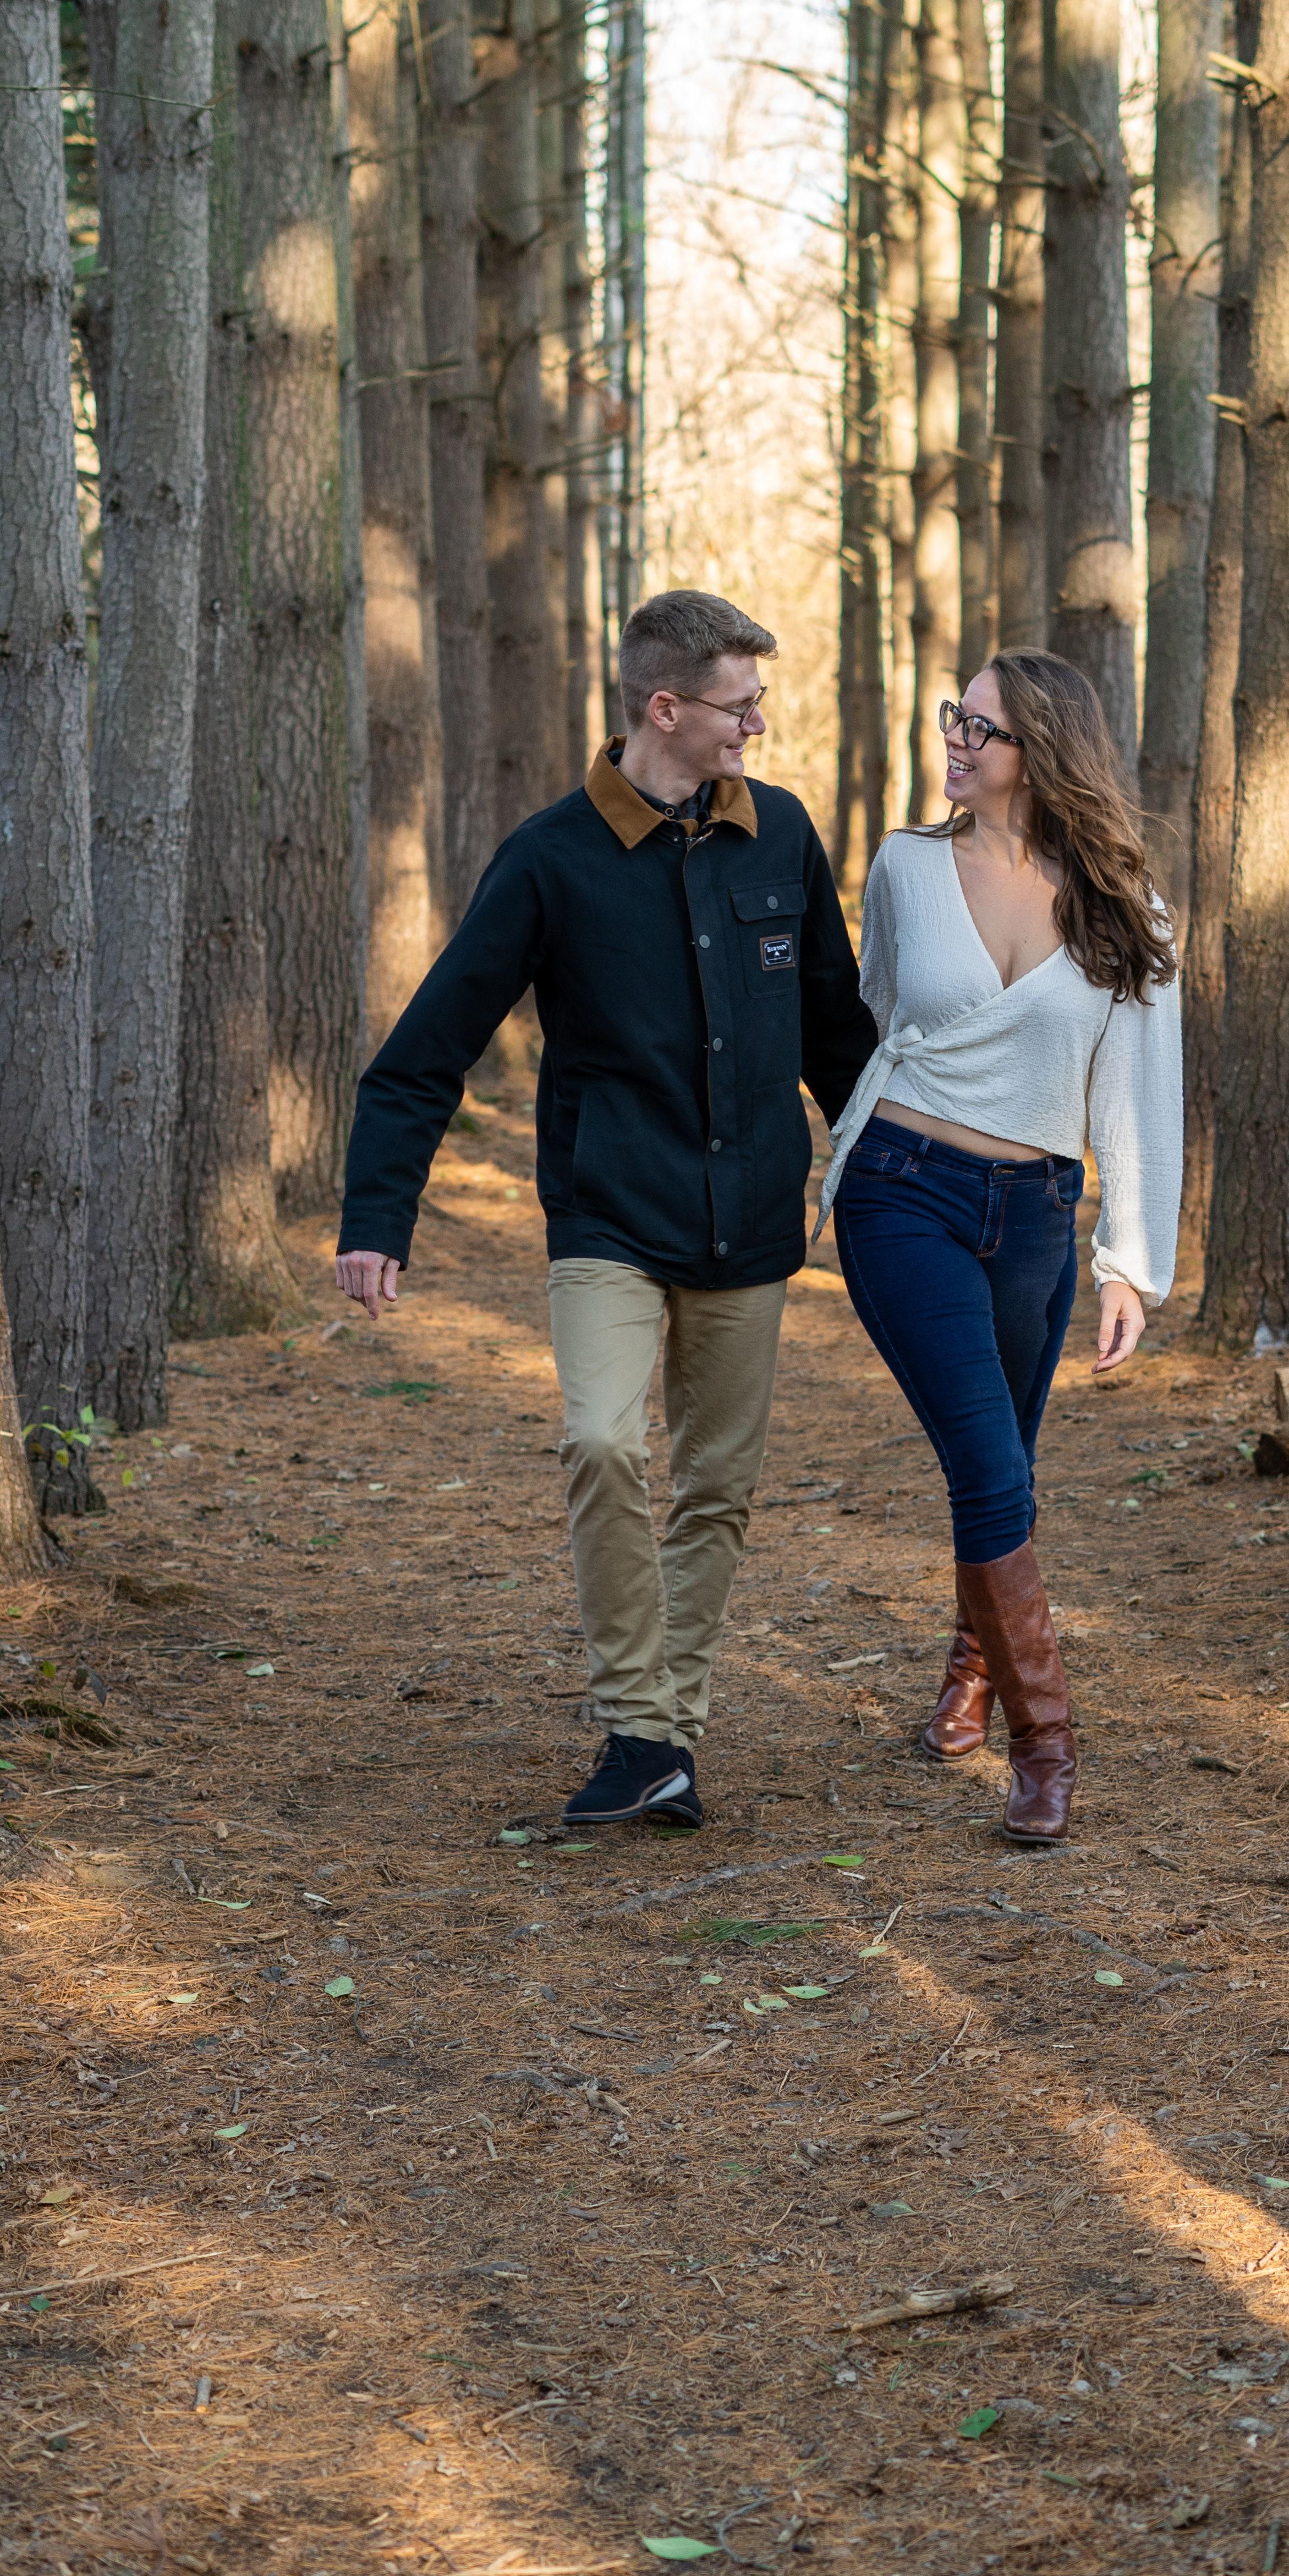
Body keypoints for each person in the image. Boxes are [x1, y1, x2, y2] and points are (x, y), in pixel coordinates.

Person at [334, 590, 881, 1832]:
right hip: (609, 1221)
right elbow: (427, 1050)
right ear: (665, 708)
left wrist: (896, 1183)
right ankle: (644, 1725)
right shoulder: (551, 858)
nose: (758, 725)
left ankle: (656, 1743)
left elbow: (839, 1038)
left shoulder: (783, 837)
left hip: (751, 1223)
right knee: (601, 1443)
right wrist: (376, 1216)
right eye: (741, 706)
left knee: (717, 1488)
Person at [814, 651, 1182, 1847]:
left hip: (1035, 1213)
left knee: (1007, 1465)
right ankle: (1047, 1747)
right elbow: (882, 1017)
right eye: (954, 719)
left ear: (1043, 751)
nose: (955, 742)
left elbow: (1137, 1087)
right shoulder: (906, 867)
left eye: (981, 729)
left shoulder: (1123, 903)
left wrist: (1131, 1261)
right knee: (984, 1459)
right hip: (901, 1189)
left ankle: (972, 1667)